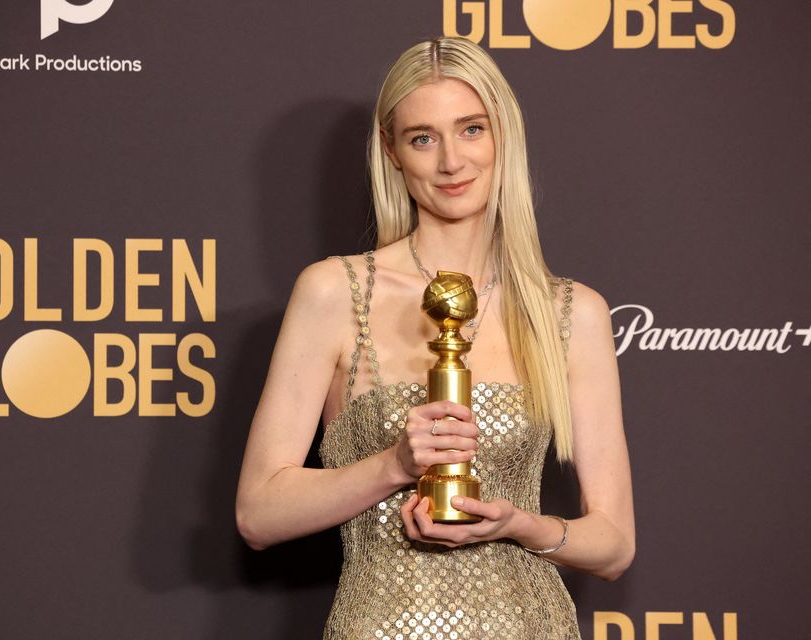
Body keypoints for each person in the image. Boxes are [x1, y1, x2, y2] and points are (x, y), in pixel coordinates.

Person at [235, 36, 634, 639]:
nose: (451, 161)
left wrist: (519, 524)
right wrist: (395, 464)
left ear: (504, 135)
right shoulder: (335, 293)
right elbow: (258, 513)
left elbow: (614, 545)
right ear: (392, 152)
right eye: (424, 138)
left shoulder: (573, 313)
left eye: (471, 129)